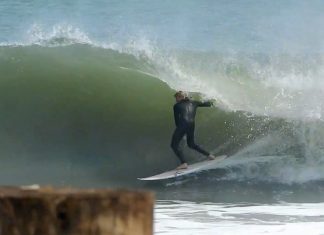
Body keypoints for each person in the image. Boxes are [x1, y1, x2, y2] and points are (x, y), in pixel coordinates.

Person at [171, 91, 216, 170]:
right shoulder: (194, 102)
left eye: (177, 97)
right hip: (191, 125)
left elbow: (177, 121)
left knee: (174, 145)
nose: (176, 99)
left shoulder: (176, 106)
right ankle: (210, 156)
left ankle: (184, 163)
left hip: (182, 124)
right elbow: (208, 104)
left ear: (182, 97)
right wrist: (216, 100)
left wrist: (180, 131)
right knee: (191, 144)